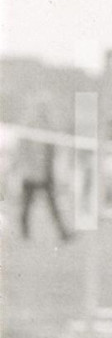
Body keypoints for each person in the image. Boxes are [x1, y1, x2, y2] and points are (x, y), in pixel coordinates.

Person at [16, 93, 71, 242]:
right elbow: (22, 149)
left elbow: (53, 149)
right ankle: (24, 233)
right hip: (31, 173)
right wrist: (23, 168)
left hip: (45, 173)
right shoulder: (29, 125)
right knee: (27, 205)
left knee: (52, 204)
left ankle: (64, 233)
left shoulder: (48, 126)